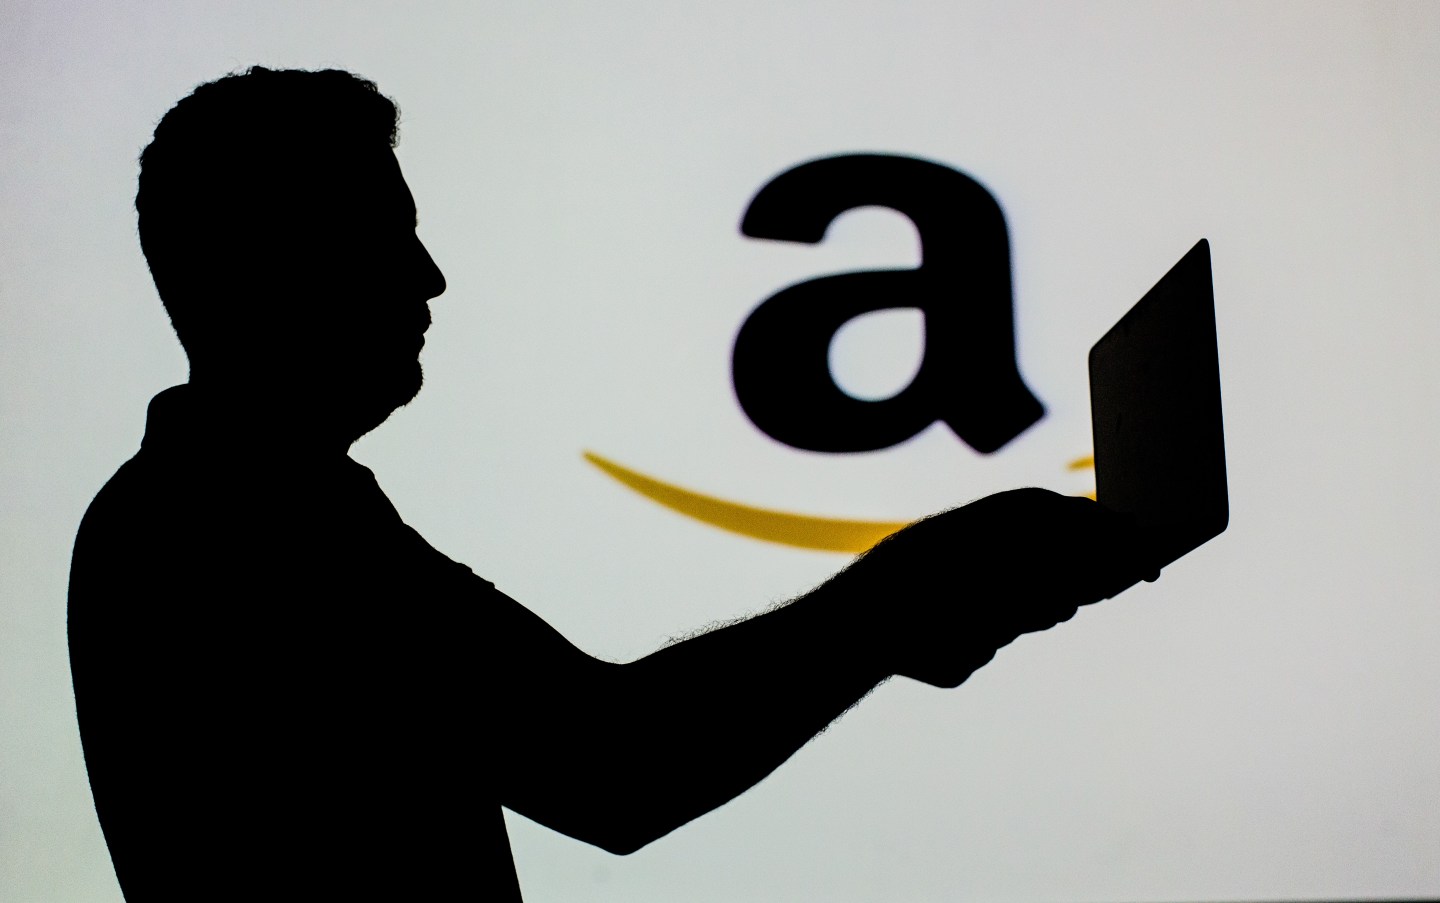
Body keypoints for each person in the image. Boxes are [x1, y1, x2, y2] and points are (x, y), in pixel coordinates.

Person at [68, 66, 1157, 902]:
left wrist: (902, 606)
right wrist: (904, 597)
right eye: (385, 235)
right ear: (274, 264)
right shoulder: (247, 529)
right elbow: (616, 766)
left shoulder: (202, 514)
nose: (429, 274)